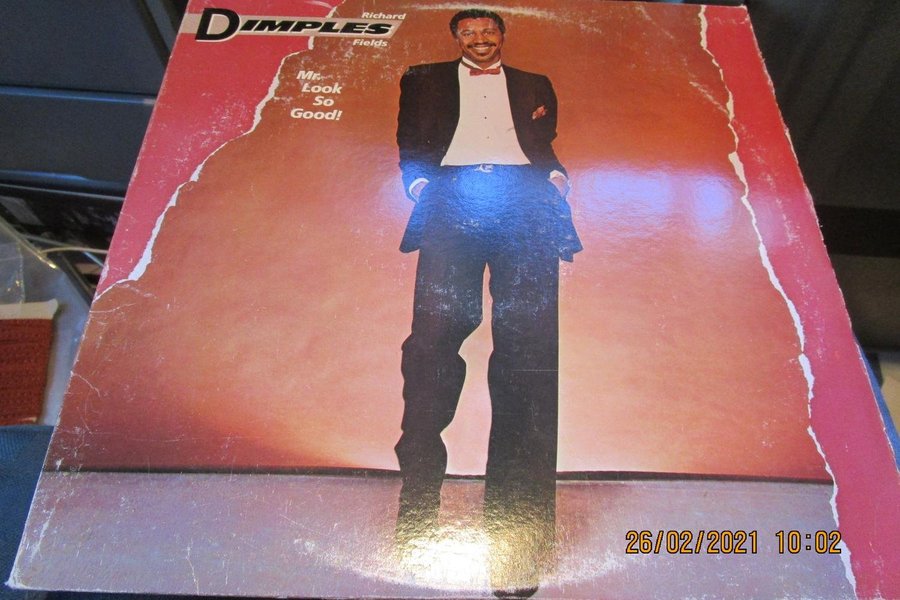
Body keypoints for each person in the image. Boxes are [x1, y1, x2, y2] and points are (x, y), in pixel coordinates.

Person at [394, 11, 581, 591]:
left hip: (524, 201)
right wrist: (422, 187)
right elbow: (409, 142)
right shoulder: (422, 78)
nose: (480, 39)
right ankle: (418, 509)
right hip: (451, 197)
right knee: (432, 345)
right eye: (469, 32)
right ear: (457, 38)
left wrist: (554, 181)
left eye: (488, 31)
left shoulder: (534, 83)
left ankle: (518, 539)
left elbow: (541, 145)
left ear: (502, 35)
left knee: (530, 355)